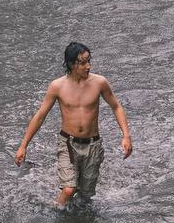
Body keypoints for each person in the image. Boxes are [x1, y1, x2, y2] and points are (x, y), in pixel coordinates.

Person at [14, 42, 132, 208]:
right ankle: (55, 214)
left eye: (89, 61)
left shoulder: (99, 83)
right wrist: (23, 146)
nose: (88, 66)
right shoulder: (57, 86)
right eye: (82, 63)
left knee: (85, 196)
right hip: (68, 143)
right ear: (71, 64)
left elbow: (116, 106)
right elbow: (40, 115)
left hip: (93, 144)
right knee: (69, 190)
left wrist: (126, 136)